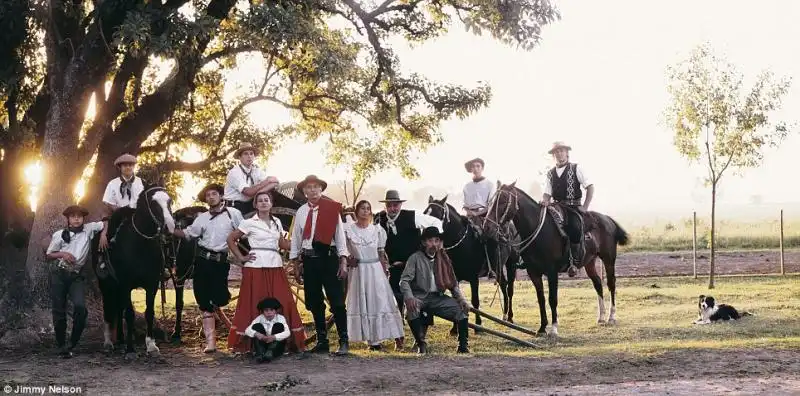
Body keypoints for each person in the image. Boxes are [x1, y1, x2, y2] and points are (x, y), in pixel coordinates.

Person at [226, 191, 306, 354]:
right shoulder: (248, 223)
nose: (263, 203)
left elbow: (282, 243)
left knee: (283, 300)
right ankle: (252, 344)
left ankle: (282, 342)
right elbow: (231, 239)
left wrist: (301, 244)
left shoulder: (276, 222)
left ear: (271, 204)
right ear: (255, 204)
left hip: (275, 264)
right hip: (255, 266)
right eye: (260, 201)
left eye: (266, 200)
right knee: (254, 300)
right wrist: (242, 257)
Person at [172, 183, 244, 353]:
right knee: (204, 301)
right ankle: (211, 342)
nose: (211, 197)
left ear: (220, 196)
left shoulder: (233, 214)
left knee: (220, 298)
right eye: (208, 195)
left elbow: (245, 232)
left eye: (214, 194)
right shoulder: (202, 218)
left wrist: (245, 255)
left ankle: (220, 317)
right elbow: (188, 234)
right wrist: (171, 229)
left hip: (221, 261)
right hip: (203, 261)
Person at [373, 190, 442, 351]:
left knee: (421, 302)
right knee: (394, 303)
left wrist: (432, 244)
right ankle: (399, 338)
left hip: (416, 268)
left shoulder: (413, 216)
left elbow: (436, 223)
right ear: (385, 206)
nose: (392, 208)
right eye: (389, 205)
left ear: (400, 205)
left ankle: (420, 340)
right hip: (395, 270)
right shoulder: (379, 220)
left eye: (395, 205)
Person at [289, 175, 350, 355]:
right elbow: (296, 239)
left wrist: (343, 260)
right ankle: (322, 341)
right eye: (309, 188)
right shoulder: (300, 212)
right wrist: (295, 262)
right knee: (315, 302)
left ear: (321, 189)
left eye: (316, 187)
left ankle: (343, 341)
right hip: (309, 260)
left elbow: (340, 237)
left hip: (328, 259)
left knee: (337, 301)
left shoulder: (331, 209)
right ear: (304, 192)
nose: (313, 190)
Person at [45, 205, 108, 358]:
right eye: (73, 216)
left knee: (80, 308)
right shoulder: (60, 234)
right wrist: (63, 254)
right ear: (68, 219)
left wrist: (104, 234)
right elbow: (49, 255)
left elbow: (106, 221)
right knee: (59, 310)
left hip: (76, 276)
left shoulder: (88, 229)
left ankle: (72, 342)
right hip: (59, 274)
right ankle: (61, 345)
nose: (77, 218)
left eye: (79, 216)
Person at [343, 200, 405, 351]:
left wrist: (384, 272)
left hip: (375, 269)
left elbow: (381, 253)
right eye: (362, 208)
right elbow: (342, 250)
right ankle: (370, 340)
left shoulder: (377, 230)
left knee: (379, 301)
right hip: (359, 271)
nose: (365, 211)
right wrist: (348, 259)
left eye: (368, 209)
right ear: (356, 211)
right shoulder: (348, 230)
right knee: (363, 301)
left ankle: (382, 337)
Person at [400, 227, 471, 355]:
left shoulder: (443, 259)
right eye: (430, 241)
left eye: (436, 240)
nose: (434, 244)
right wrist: (409, 297)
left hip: (438, 298)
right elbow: (404, 281)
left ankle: (463, 346)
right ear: (423, 243)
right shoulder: (415, 258)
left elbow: (453, 283)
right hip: (419, 297)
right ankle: (421, 344)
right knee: (412, 308)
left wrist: (462, 300)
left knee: (461, 309)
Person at [541, 141, 594, 277]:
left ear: (567, 152)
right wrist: (545, 201)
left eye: (561, 151)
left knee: (575, 228)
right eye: (556, 152)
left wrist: (585, 206)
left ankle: (574, 262)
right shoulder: (550, 173)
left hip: (573, 206)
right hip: (556, 206)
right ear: (554, 155)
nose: (559, 154)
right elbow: (547, 192)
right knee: (544, 227)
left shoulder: (576, 168)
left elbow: (590, 187)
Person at [223, 142, 280, 215]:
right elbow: (248, 192)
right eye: (246, 154)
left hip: (250, 203)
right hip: (234, 207)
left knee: (274, 196)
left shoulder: (256, 170)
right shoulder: (234, 172)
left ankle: (291, 217)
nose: (249, 156)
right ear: (240, 157)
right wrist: (267, 181)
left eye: (251, 153)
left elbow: (275, 182)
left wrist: (259, 193)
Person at [238, 297, 291, 363]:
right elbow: (247, 330)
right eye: (266, 310)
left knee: (279, 325)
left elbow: (287, 332)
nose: (269, 312)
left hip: (276, 346)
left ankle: (270, 353)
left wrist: (274, 337)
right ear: (262, 312)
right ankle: (260, 353)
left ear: (275, 311)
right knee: (256, 326)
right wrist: (258, 334)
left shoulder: (280, 318)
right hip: (264, 344)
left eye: (271, 310)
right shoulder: (260, 318)